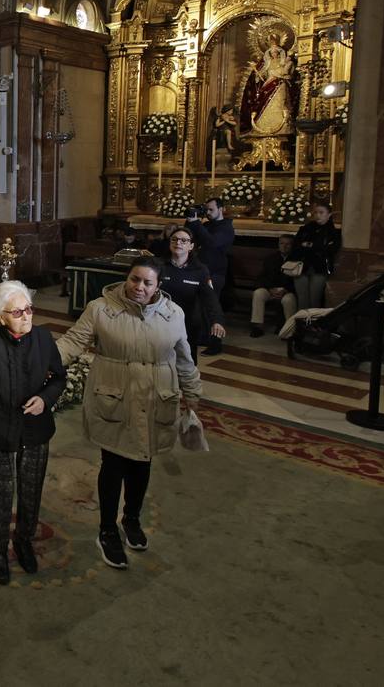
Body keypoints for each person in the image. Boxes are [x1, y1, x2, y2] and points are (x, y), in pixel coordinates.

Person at [56, 258, 201, 570]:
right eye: (135, 279)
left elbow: (185, 358)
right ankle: (107, 529)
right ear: (127, 278)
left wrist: (193, 394)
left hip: (156, 397)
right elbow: (72, 342)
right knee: (114, 463)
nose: (139, 287)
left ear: (159, 286)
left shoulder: (173, 314)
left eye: (148, 283)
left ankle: (131, 519)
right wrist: (40, 361)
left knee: (142, 460)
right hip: (115, 397)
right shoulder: (101, 308)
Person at [0, 280, 67, 585]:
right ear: (0, 317)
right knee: (4, 491)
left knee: (31, 489)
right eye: (18, 312)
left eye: (29, 309)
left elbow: (58, 378)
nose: (27, 316)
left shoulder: (44, 338)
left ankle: (24, 541)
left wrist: (45, 399)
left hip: (35, 428)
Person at [158, 226, 225, 363]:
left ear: (191, 246)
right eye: (174, 240)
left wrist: (216, 321)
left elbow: (210, 298)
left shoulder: (200, 270)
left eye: (184, 240)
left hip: (187, 323)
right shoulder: (158, 266)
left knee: (187, 361)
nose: (178, 243)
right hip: (159, 321)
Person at [185, 197, 234, 353]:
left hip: (216, 272)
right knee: (198, 307)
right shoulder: (206, 225)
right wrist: (190, 221)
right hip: (201, 270)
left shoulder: (226, 227)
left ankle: (215, 342)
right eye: (206, 210)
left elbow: (212, 243)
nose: (208, 213)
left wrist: (197, 224)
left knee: (212, 307)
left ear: (221, 209)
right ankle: (202, 337)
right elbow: (190, 237)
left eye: (211, 210)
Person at [289, 202, 342, 310]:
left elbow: (330, 250)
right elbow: (296, 246)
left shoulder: (333, 232)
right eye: (316, 212)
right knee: (302, 300)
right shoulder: (306, 229)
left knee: (315, 300)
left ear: (329, 214)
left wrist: (310, 245)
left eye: (321, 212)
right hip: (302, 267)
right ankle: (301, 324)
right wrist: (315, 246)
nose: (318, 215)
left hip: (319, 269)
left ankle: (312, 325)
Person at [250, 235, 298, 337]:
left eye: (287, 244)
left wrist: (285, 290)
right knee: (258, 293)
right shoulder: (271, 258)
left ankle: (289, 330)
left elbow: (297, 282)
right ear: (278, 245)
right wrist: (270, 289)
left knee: (288, 300)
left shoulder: (296, 260)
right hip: (271, 289)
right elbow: (262, 277)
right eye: (282, 243)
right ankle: (257, 326)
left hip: (287, 291)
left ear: (292, 246)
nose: (284, 246)